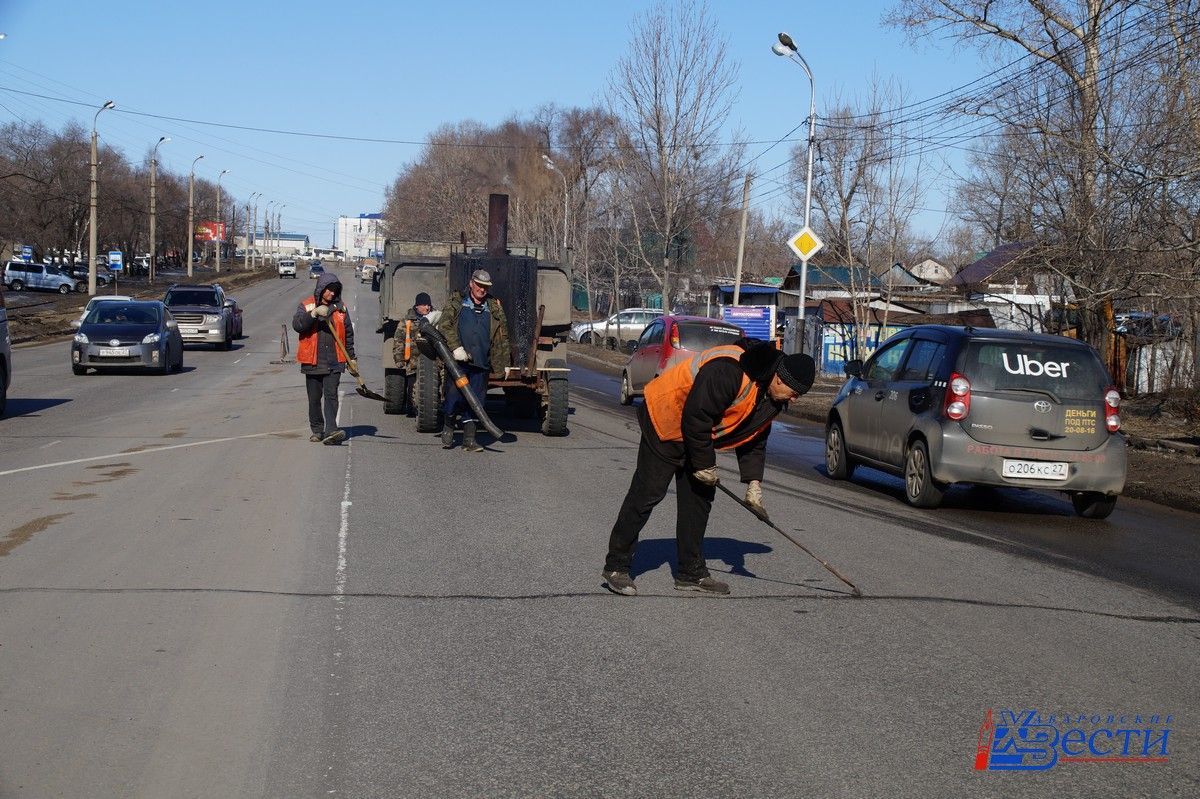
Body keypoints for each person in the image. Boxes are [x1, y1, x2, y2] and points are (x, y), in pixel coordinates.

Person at [602, 341, 816, 596]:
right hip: (666, 418)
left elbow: (754, 439)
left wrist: (753, 484)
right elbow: (697, 416)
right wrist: (705, 465)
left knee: (699, 499)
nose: (794, 399)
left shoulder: (772, 397)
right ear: (780, 379)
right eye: (794, 393)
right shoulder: (729, 370)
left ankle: (690, 573)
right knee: (648, 492)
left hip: (696, 434)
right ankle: (616, 566)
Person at [435, 269, 510, 452]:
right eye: (479, 285)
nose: (482, 290)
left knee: (476, 402)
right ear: (471, 283)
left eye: (485, 287)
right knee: (453, 398)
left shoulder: (494, 307)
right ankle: (449, 426)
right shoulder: (457, 302)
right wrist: (456, 348)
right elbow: (444, 325)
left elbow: (502, 336)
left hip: (481, 364)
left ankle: (469, 440)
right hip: (458, 363)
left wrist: (505, 362)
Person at [293, 272, 357, 445]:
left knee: (331, 396)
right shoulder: (307, 306)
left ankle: (331, 431)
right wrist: (313, 314)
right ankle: (317, 430)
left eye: (335, 291)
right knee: (314, 399)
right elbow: (298, 325)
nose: (332, 294)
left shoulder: (341, 309)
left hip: (334, 361)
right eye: (329, 290)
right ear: (321, 289)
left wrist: (352, 358)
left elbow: (348, 335)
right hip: (312, 361)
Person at [392, 291, 440, 416]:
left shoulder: (435, 318)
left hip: (431, 360)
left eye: (428, 305)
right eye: (423, 305)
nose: (427, 307)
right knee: (412, 385)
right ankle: (412, 408)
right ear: (417, 306)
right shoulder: (407, 321)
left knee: (432, 386)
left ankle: (431, 409)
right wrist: (399, 359)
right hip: (413, 360)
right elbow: (398, 341)